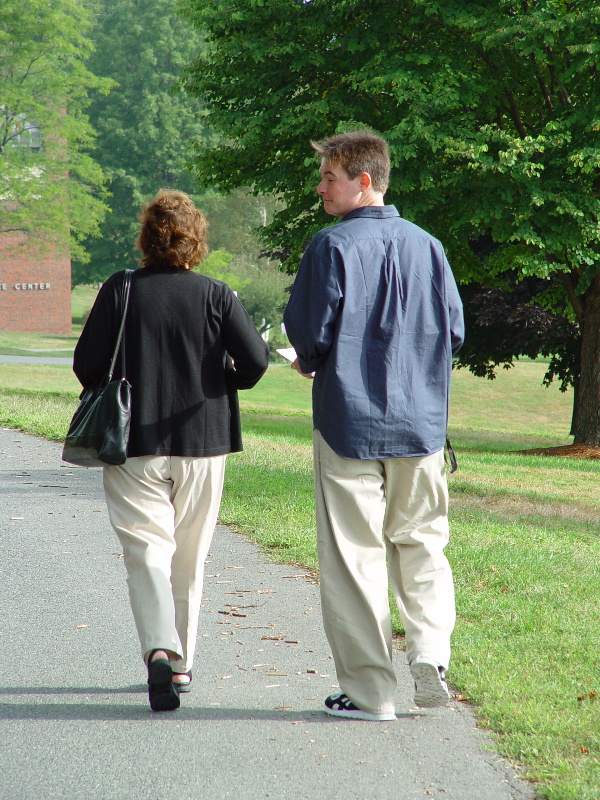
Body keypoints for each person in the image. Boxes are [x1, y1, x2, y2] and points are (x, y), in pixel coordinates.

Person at [283, 130, 464, 722]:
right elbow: (454, 331)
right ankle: (431, 654)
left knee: (354, 554)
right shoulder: (430, 247)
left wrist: (309, 362)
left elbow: (309, 334)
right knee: (423, 541)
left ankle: (370, 693)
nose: (320, 187)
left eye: (329, 177)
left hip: (348, 424)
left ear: (364, 181)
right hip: (421, 425)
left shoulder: (329, 248)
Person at [74, 189, 269, 711]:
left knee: (146, 552)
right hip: (204, 443)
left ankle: (160, 647)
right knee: (190, 556)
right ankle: (181, 668)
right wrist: (222, 378)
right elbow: (255, 361)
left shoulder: (121, 289)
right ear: (196, 240)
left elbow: (87, 365)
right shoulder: (216, 294)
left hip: (133, 443)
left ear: (145, 238)